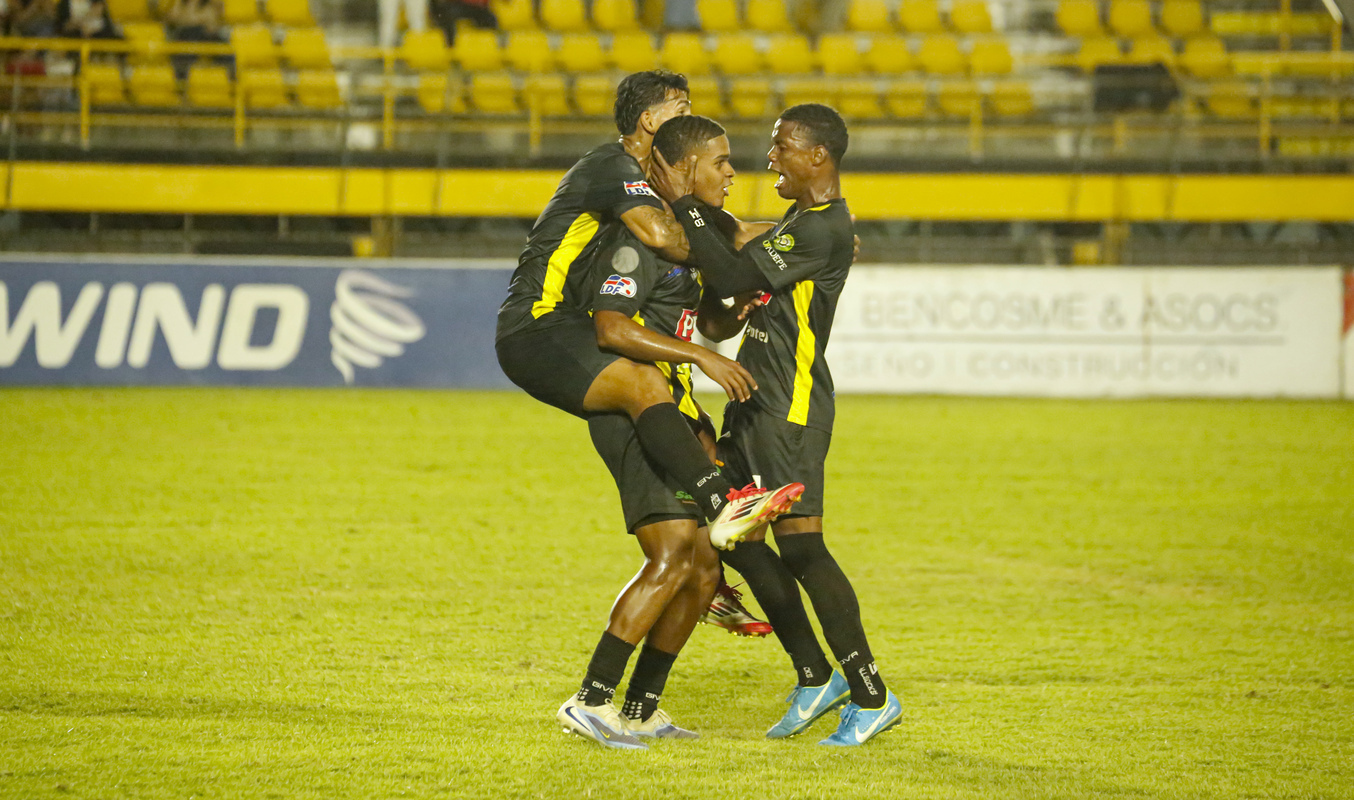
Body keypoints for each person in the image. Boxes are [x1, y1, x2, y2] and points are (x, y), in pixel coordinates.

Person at [650, 103, 902, 747]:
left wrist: (682, 204)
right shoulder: (801, 222)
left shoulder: (824, 228)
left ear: (817, 156)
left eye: (781, 146)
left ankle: (871, 693)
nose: (771, 159)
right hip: (755, 405)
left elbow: (733, 271)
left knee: (803, 548)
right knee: (732, 534)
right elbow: (735, 270)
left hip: (792, 408)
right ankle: (815, 675)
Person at [495, 70, 805, 561]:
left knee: (696, 437)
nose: (689, 118)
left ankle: (707, 578)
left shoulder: (662, 192)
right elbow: (665, 239)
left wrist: (812, 233)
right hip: (537, 321)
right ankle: (724, 507)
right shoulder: (613, 165)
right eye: (680, 109)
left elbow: (741, 233)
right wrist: (723, 266)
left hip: (571, 325)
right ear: (648, 119)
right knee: (644, 384)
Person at [556, 114, 781, 749]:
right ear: (683, 169)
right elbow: (611, 327)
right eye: (721, 161)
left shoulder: (690, 242)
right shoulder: (637, 244)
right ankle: (590, 700)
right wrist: (705, 359)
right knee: (674, 552)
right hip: (638, 416)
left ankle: (640, 709)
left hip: (679, 414)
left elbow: (708, 322)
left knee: (706, 566)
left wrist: (736, 298)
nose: (733, 172)